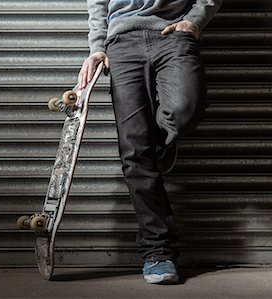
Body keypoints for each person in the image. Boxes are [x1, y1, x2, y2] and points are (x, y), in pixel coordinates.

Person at [78, 0, 222, 284]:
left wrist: (195, 20)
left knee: (184, 111)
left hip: (172, 34)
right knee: (134, 151)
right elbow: (97, 2)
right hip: (120, 42)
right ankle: (158, 252)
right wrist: (96, 47)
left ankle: (159, 141)